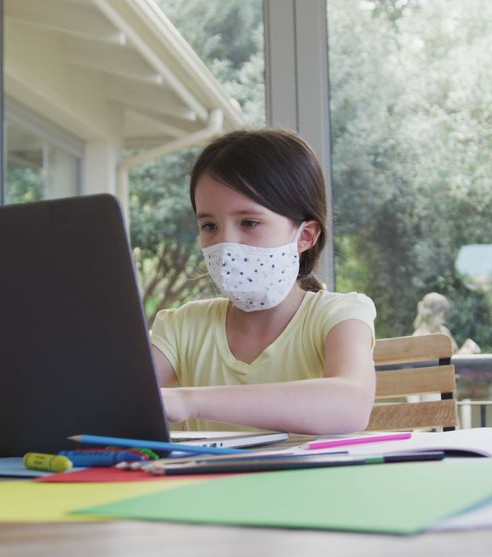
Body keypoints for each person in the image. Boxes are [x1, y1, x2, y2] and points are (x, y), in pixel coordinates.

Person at [151, 129, 377, 435]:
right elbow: (113, 402)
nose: (226, 244)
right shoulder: (182, 327)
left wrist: (189, 400)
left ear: (305, 236)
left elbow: (350, 405)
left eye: (249, 223)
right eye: (209, 225)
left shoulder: (340, 315)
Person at [412, 292, 480, 355]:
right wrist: (466, 352)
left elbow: (455, 355)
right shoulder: (421, 336)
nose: (443, 321)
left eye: (444, 316)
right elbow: (442, 363)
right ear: (430, 315)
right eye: (441, 316)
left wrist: (467, 349)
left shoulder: (443, 330)